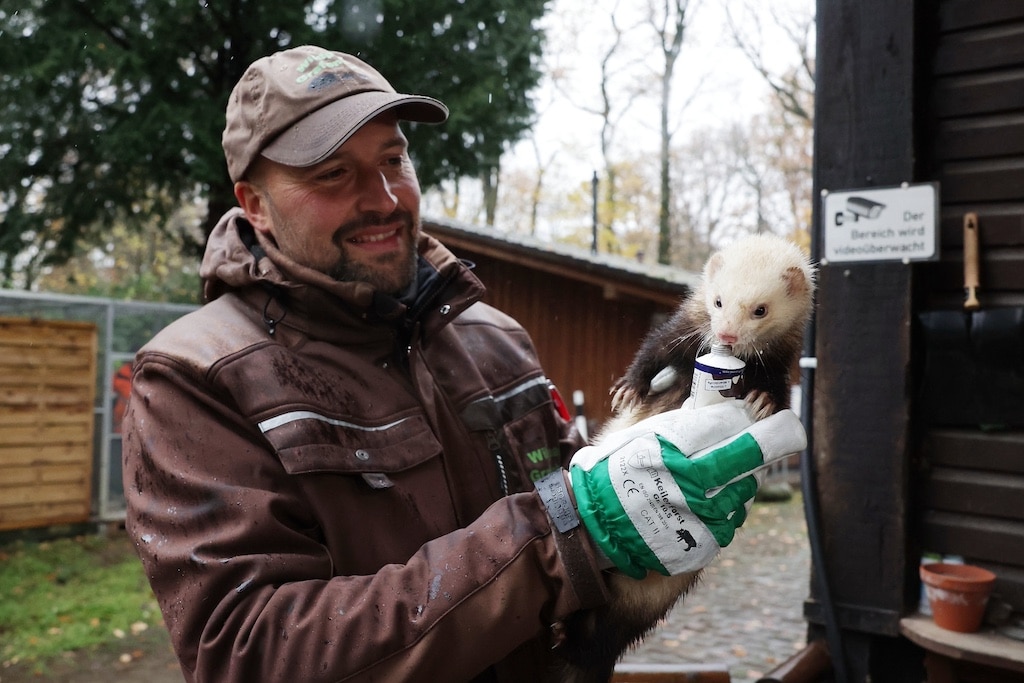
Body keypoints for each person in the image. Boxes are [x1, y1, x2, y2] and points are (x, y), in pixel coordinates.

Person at [122, 45, 806, 683]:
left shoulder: (493, 336)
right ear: (255, 207)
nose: (385, 198)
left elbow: (578, 492)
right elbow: (253, 650)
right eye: (334, 174)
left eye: (394, 160)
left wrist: (658, 494)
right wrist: (565, 536)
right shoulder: (191, 379)